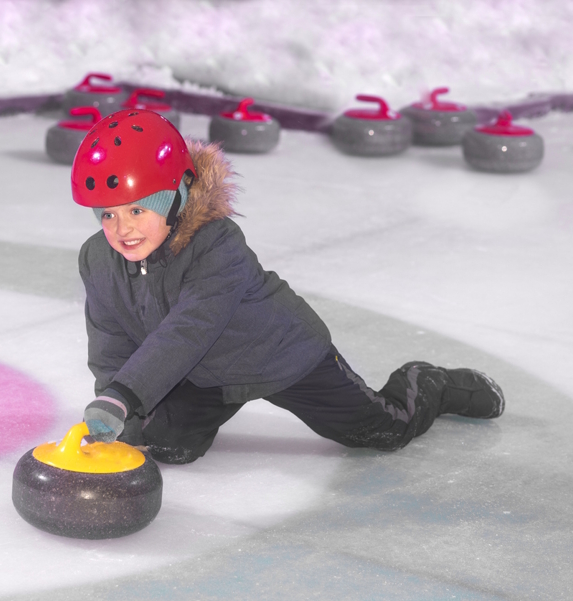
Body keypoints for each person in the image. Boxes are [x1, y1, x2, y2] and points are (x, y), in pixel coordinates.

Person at [74, 110, 504, 464]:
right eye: (107, 215)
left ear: (176, 196)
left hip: (279, 356)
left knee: (382, 431)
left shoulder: (218, 246)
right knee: (168, 445)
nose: (122, 229)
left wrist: (124, 395)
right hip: (198, 377)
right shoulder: (98, 260)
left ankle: (429, 380)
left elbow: (187, 331)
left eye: (136, 210)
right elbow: (110, 342)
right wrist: (118, 420)